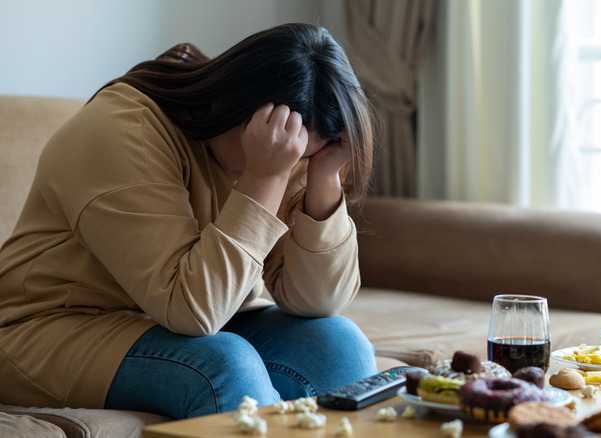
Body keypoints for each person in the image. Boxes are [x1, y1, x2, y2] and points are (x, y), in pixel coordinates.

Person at [0, 23, 377, 419]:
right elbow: (193, 310)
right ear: (234, 104)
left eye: (305, 156)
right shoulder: (122, 129)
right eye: (292, 156)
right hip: (48, 330)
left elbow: (317, 301)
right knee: (226, 367)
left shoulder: (287, 148)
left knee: (339, 347)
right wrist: (264, 176)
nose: (292, 166)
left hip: (170, 326)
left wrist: (324, 175)